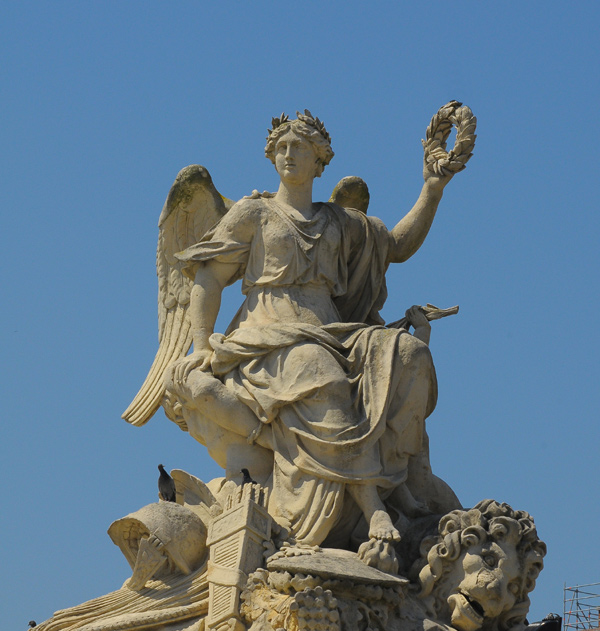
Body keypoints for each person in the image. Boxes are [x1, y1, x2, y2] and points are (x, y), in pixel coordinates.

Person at [165, 111, 455, 547]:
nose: (288, 154)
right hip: (268, 335)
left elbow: (395, 246)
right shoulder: (254, 212)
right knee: (322, 372)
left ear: (320, 159)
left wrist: (433, 188)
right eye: (281, 148)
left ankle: (404, 482)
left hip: (333, 331)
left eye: (298, 147)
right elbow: (207, 276)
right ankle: (372, 503)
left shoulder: (338, 221)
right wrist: (203, 342)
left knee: (410, 355)